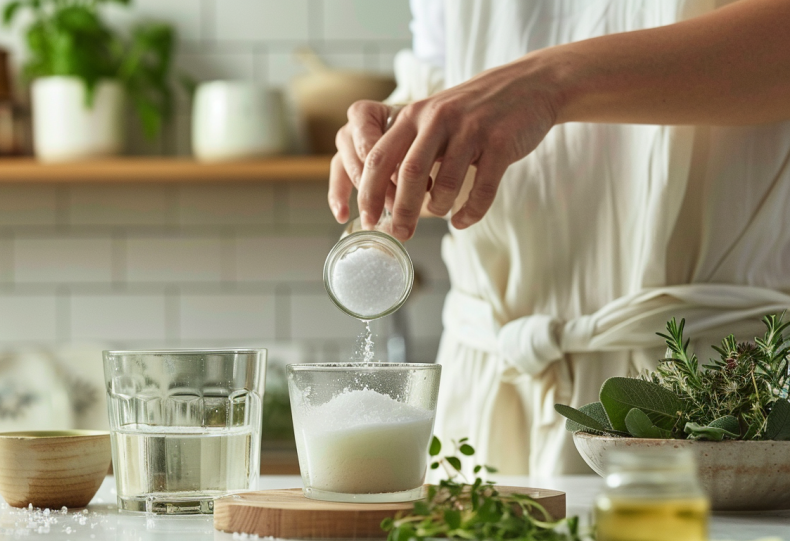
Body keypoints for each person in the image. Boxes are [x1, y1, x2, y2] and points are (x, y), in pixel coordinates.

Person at [329, 0, 790, 475]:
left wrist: (548, 84)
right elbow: (453, 122)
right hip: (494, 387)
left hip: (713, 386)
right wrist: (407, 145)